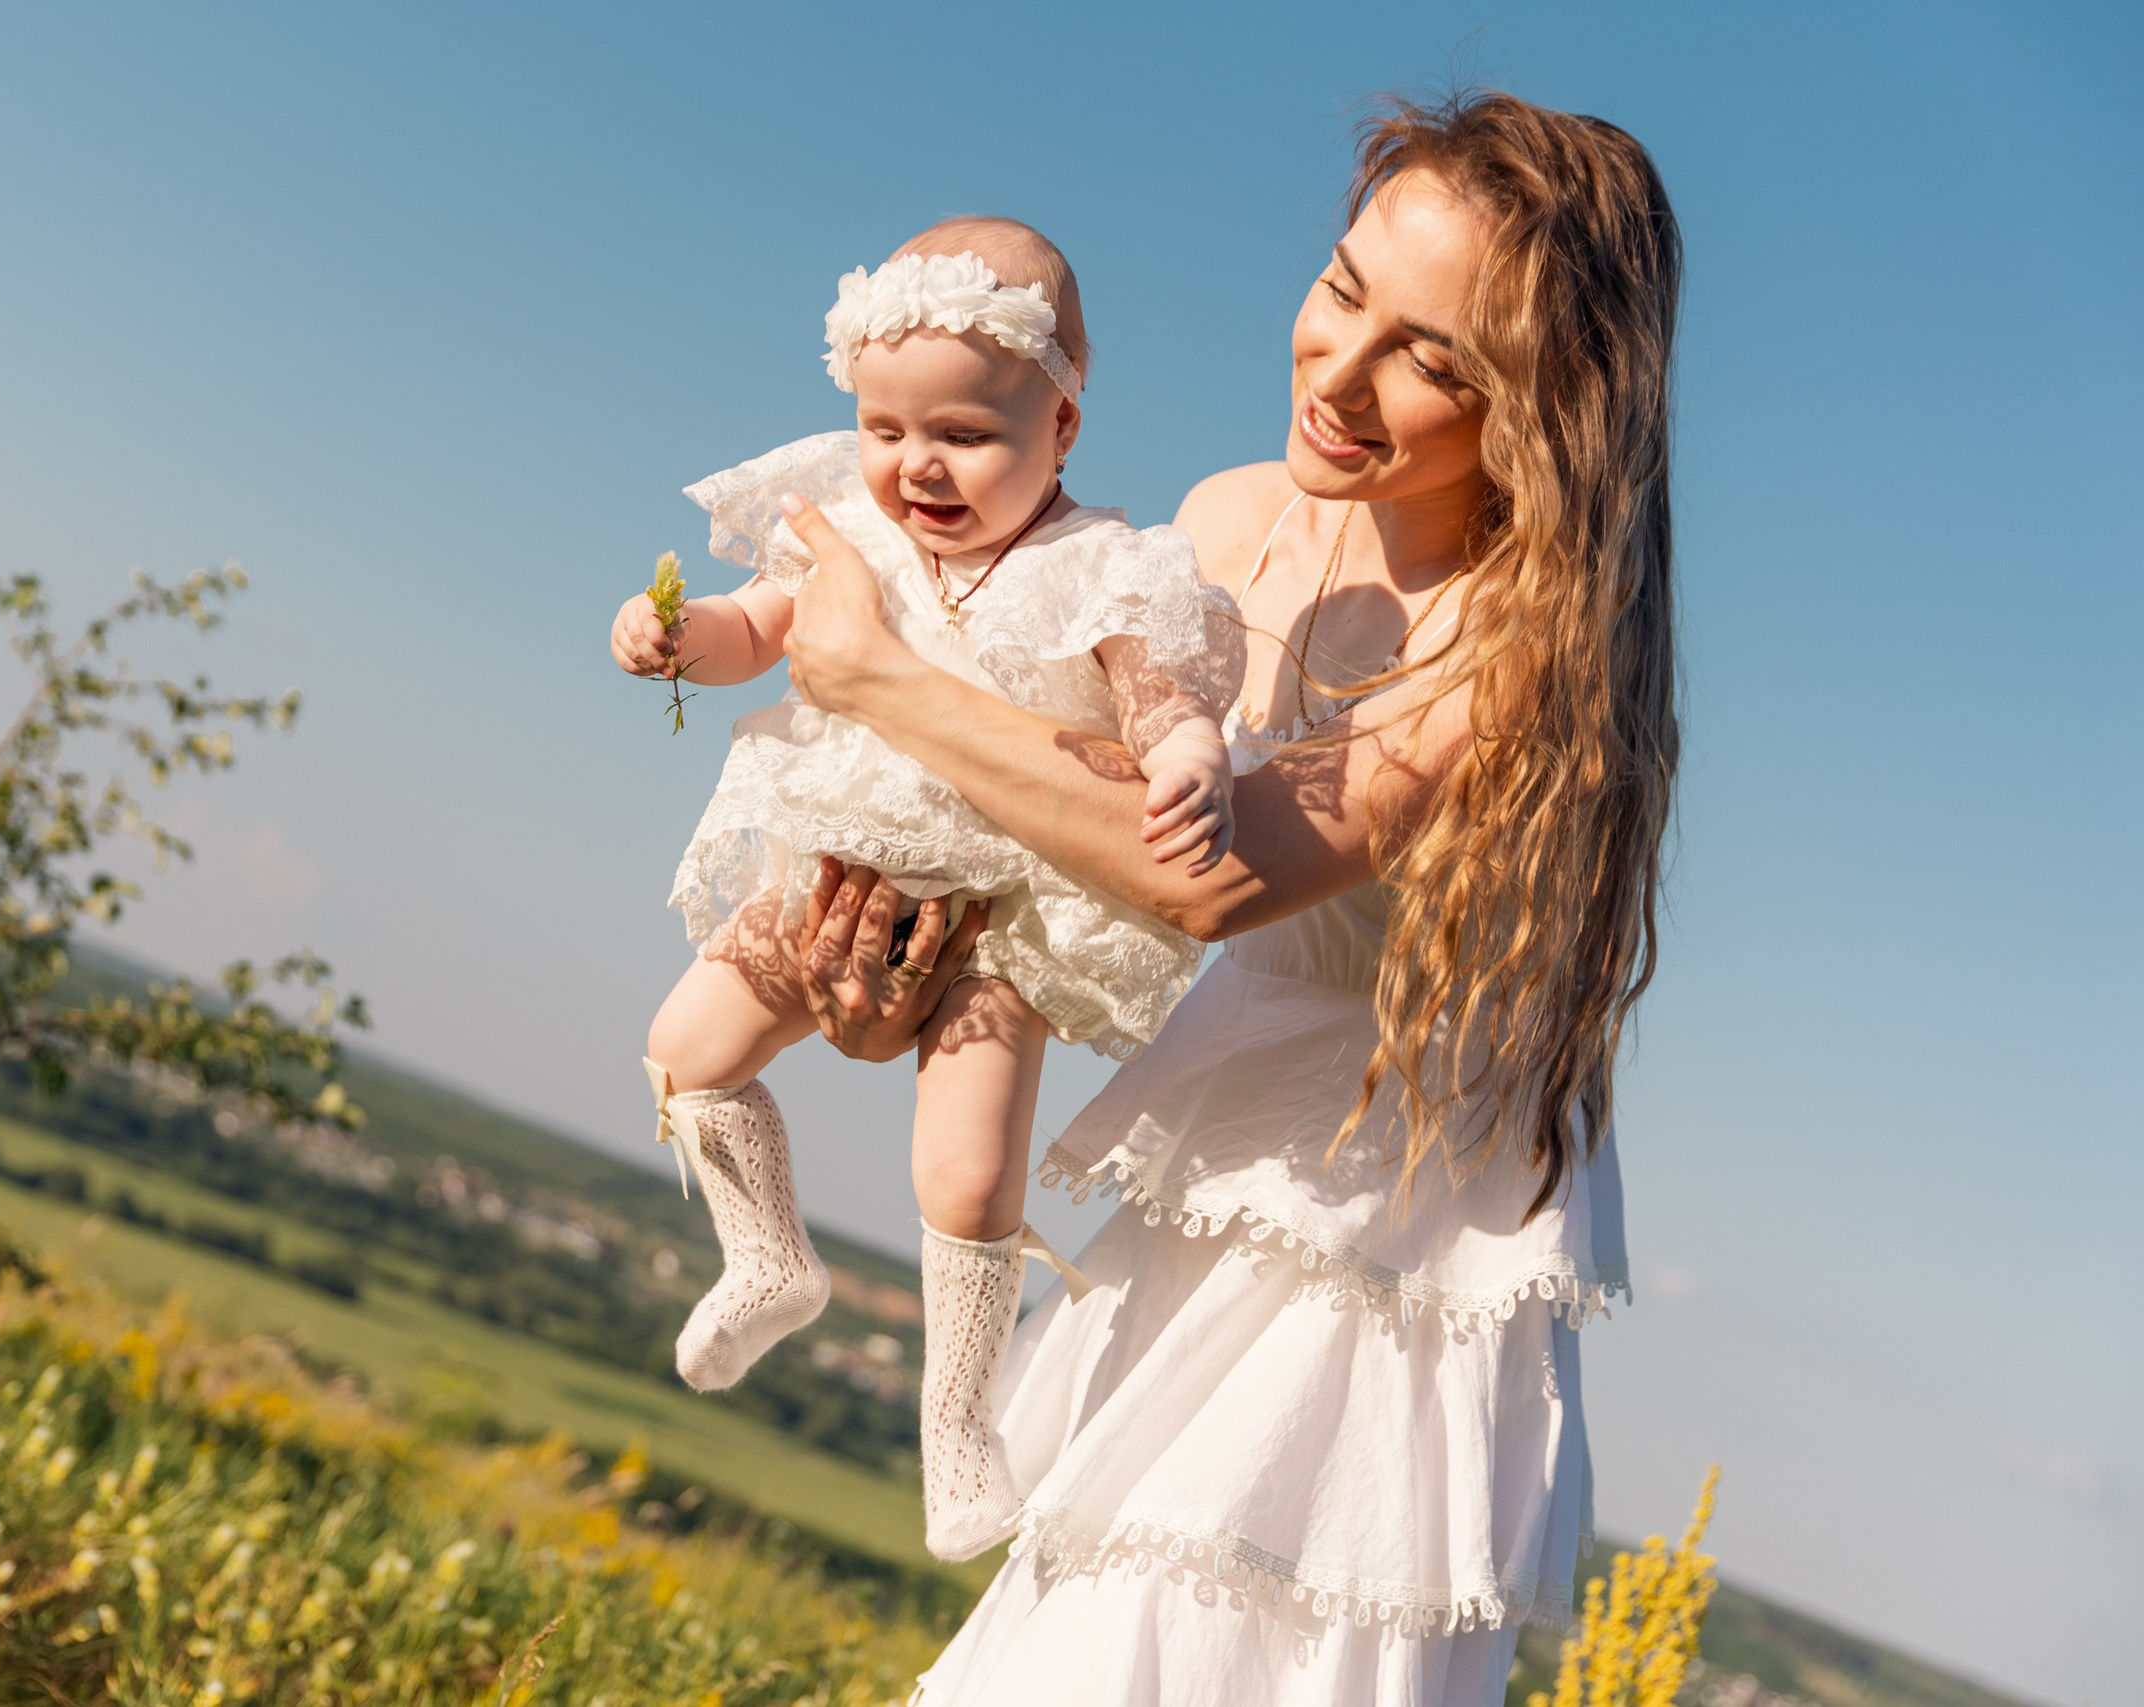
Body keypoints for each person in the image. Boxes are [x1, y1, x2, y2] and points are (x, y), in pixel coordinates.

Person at [778, 92, 1679, 1704]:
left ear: (1546, 408)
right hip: (1222, 1164)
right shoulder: (1220, 526)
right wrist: (898, 986)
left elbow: (1210, 878)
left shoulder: (1519, 634)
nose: (1338, 375)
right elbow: (1058, 848)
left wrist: (876, 675)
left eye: (1433, 360)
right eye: (1343, 291)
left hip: (1374, 1232)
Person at [608, 218, 1246, 1560]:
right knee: (687, 1049)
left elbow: (1161, 694)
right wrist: (677, 636)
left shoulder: (1105, 566)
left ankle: (958, 1425)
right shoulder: (846, 530)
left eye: (965, 433)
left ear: (1062, 425)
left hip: (1001, 918)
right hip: (826, 863)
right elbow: (752, 634)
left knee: (963, 1174)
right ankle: (767, 1255)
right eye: (887, 429)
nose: (919, 467)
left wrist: (1189, 753)